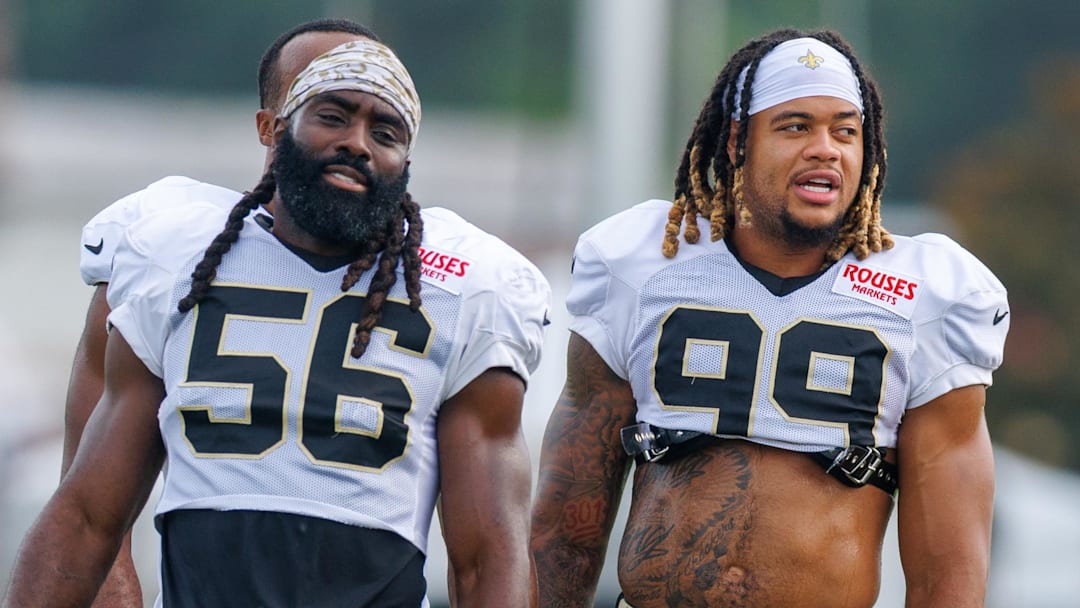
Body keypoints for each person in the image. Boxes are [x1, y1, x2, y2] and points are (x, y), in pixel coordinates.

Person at [7, 36, 548, 607]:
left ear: (406, 165)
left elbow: (489, 554)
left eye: (384, 133)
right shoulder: (177, 256)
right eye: (333, 117)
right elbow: (88, 516)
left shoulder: (464, 289)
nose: (356, 143)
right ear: (277, 129)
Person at [531, 28, 1008, 607]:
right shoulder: (643, 262)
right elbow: (565, 526)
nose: (826, 148)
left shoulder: (927, 296)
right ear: (737, 141)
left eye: (845, 131)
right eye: (795, 125)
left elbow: (949, 573)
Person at [60, 18, 381, 606]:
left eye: (372, 107)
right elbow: (87, 502)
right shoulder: (165, 245)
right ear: (273, 123)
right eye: (328, 104)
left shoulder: (434, 274)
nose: (351, 134)